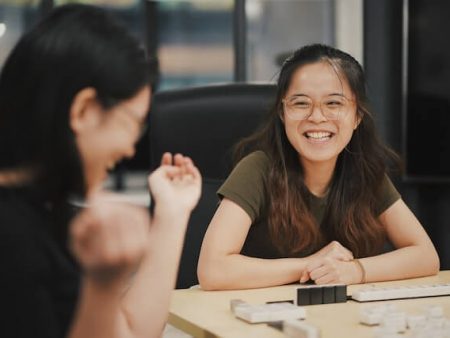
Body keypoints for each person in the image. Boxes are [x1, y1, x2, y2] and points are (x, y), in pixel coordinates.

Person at [0, 4, 201, 338]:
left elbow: (134, 331)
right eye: (133, 125)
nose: (129, 149)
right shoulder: (14, 244)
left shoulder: (48, 214)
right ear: (83, 110)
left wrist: (172, 213)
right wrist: (103, 286)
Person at [197, 44, 439, 290]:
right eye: (301, 103)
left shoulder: (365, 172)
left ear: (357, 116)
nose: (317, 117)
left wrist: (355, 271)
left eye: (333, 103)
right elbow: (213, 270)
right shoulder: (258, 169)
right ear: (283, 113)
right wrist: (311, 265)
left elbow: (426, 256)